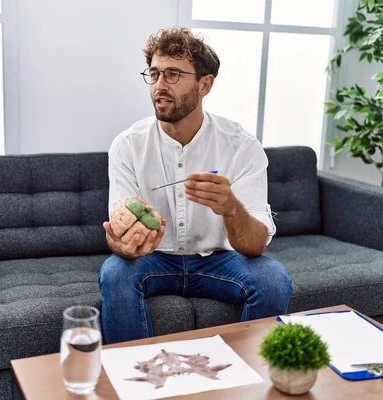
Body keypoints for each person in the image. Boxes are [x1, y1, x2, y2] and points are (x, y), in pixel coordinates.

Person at [99, 26, 292, 345]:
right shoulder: (127, 146)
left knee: (272, 279)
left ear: (206, 84)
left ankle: (247, 381)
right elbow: (119, 240)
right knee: (115, 272)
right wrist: (124, 245)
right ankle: (132, 381)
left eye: (173, 74)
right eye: (154, 73)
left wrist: (230, 207)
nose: (159, 86)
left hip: (219, 260)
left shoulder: (241, 147)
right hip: (155, 259)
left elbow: (255, 246)